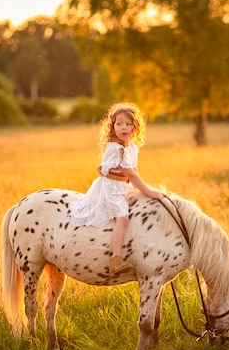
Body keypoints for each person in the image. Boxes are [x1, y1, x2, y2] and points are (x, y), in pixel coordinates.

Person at [68, 102, 164, 275]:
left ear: (135, 127)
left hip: (123, 185)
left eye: (128, 124)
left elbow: (135, 171)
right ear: (112, 127)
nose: (123, 127)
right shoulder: (115, 147)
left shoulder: (132, 146)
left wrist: (138, 189)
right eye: (119, 124)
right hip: (111, 188)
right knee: (123, 219)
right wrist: (148, 191)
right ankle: (116, 259)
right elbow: (131, 174)